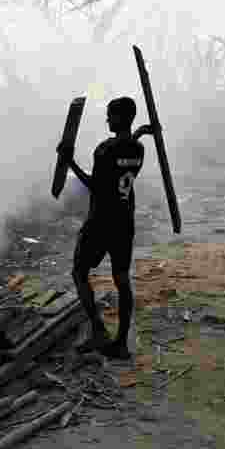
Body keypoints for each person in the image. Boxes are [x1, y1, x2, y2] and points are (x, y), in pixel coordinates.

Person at [57, 97, 156, 360]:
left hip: (100, 221)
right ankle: (121, 343)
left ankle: (99, 330)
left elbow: (96, 185)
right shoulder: (138, 149)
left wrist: (70, 162)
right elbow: (123, 155)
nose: (107, 120)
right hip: (124, 222)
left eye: (111, 115)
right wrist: (140, 133)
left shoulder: (103, 149)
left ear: (122, 118)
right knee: (122, 281)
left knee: (79, 272)